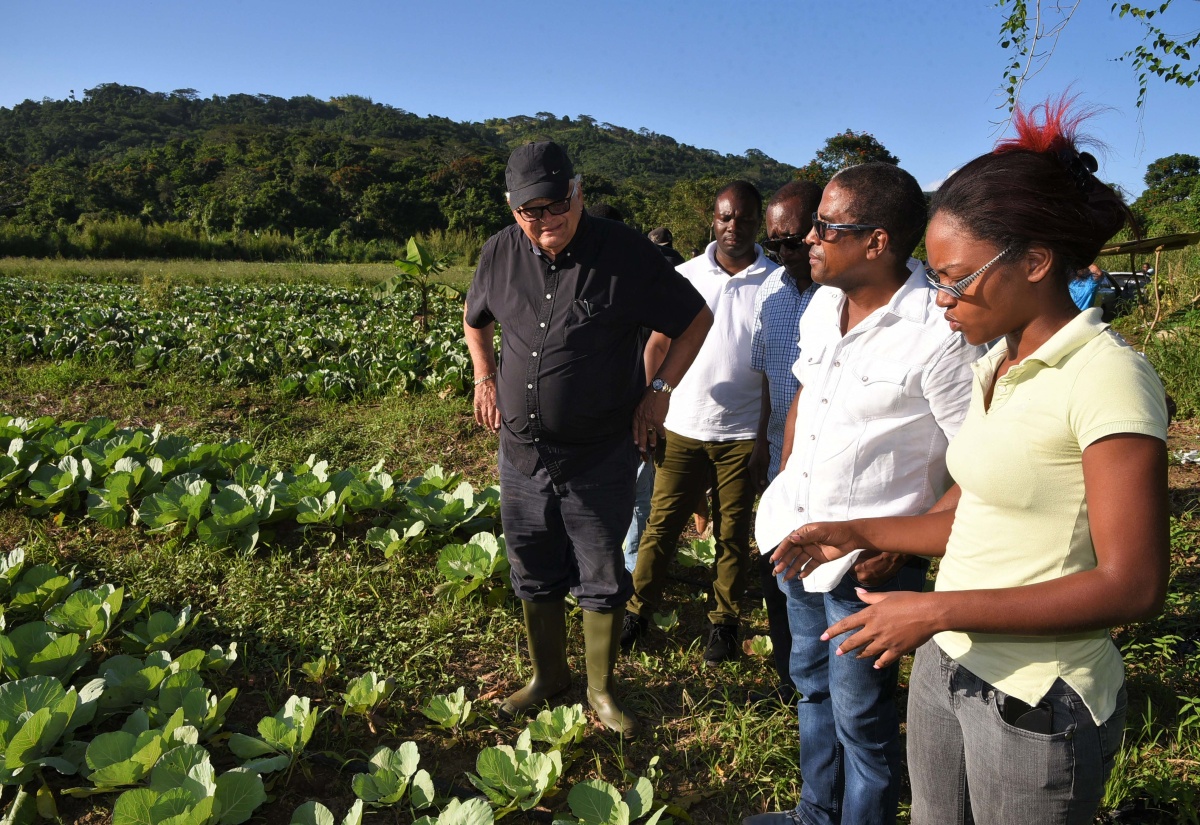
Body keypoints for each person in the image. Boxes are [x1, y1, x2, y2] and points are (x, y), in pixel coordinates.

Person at [768, 99, 1169, 824]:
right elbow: (966, 512)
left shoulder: (1106, 377)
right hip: (949, 665)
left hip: (1035, 698)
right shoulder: (999, 365)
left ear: (1037, 262)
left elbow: (1134, 585)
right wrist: (859, 530)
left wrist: (937, 606)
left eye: (955, 278)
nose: (942, 299)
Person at [747, 162, 985, 825]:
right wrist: (786, 481)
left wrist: (900, 544)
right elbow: (801, 399)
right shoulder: (822, 306)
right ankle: (815, 811)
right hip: (797, 542)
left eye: (826, 226)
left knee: (862, 716)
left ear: (877, 242)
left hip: (868, 565)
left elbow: (979, 462)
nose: (809, 238)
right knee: (812, 687)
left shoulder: (939, 332)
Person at [463, 140, 713, 736]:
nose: (545, 220)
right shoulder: (500, 252)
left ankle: (601, 689)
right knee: (532, 564)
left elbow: (695, 318)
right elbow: (476, 320)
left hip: (600, 452)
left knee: (601, 571)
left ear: (578, 193)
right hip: (522, 453)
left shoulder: (625, 253)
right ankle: (548, 677)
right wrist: (484, 376)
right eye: (530, 211)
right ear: (511, 209)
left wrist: (659, 390)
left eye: (555, 205)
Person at [621, 181, 775, 663]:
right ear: (714, 219)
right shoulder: (685, 275)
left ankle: (724, 623)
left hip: (742, 432)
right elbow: (658, 346)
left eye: (745, 219)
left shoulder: (775, 282)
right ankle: (637, 610)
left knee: (733, 531)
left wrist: (765, 436)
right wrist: (650, 407)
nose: (734, 227)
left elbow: (776, 367)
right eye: (726, 217)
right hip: (683, 425)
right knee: (662, 526)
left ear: (758, 222)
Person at [746, 180, 824, 706]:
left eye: (791, 242)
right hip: (778, 463)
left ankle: (830, 689)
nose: (781, 255)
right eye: (772, 244)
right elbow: (766, 384)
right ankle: (787, 678)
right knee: (781, 577)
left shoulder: (844, 296)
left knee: (827, 583)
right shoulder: (770, 295)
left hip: (829, 473)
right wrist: (758, 446)